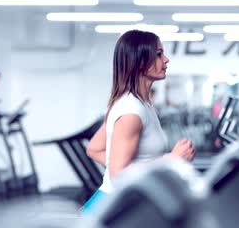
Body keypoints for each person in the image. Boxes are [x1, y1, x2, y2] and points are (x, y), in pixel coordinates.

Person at [83, 30, 195, 214]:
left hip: (122, 202)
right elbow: (118, 175)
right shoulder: (131, 112)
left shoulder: (138, 103)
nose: (166, 60)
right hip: (114, 208)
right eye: (159, 54)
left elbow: (94, 149)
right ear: (140, 61)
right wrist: (170, 160)